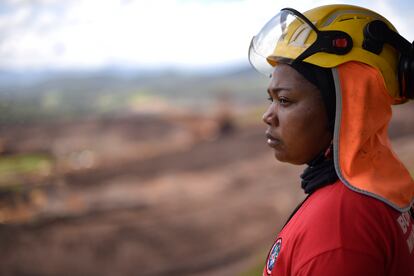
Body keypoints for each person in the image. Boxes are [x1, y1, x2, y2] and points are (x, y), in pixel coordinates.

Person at [248, 4, 414, 275]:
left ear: (346, 105)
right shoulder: (381, 185)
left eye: (285, 100)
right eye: (271, 99)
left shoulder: (337, 231)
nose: (268, 116)